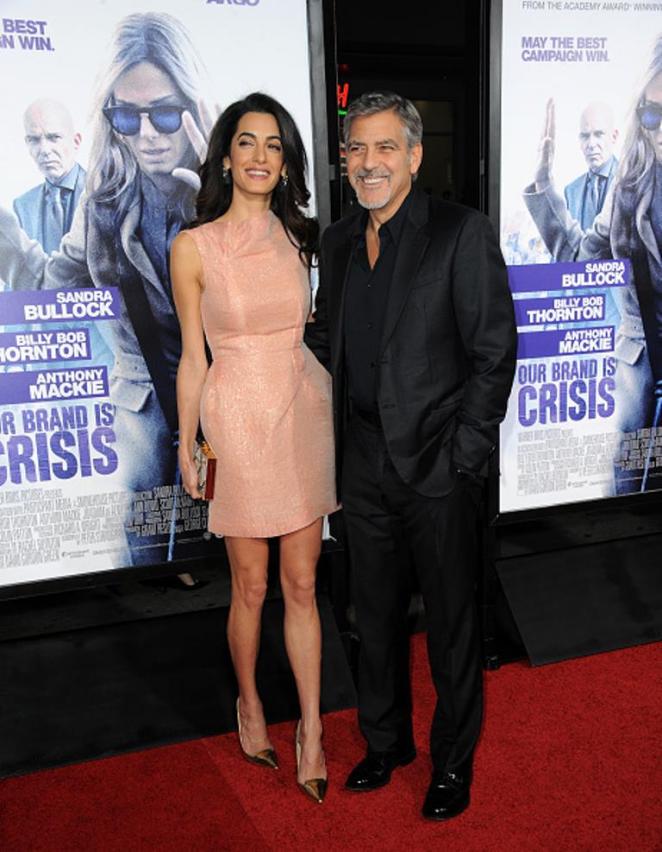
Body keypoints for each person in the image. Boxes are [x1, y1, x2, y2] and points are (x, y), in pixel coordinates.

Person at [304, 92, 517, 821]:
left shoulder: (460, 232)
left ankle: (453, 765)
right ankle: (385, 742)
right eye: (357, 149)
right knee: (370, 615)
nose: (369, 163)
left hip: (437, 467)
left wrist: (465, 455)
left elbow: (494, 353)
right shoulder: (335, 243)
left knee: (454, 621)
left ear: (415, 156)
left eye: (385, 148)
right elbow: (328, 338)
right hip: (360, 461)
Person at [0, 12, 213, 569]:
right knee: (144, 576)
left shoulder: (234, 182)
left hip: (225, 427)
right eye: (126, 114)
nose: (146, 135)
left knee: (236, 580)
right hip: (144, 437)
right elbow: (48, 288)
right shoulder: (103, 198)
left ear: (191, 105)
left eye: (165, 113)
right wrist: (4, 231)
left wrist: (224, 210)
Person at [171, 92, 338, 803]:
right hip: (235, 415)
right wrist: (188, 439)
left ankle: (311, 729)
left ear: (286, 159)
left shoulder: (304, 237)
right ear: (226, 155)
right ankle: (248, 701)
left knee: (303, 585)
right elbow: (191, 356)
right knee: (252, 585)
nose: (260, 157)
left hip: (302, 407)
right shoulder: (194, 246)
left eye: (274, 145)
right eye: (247, 142)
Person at [523, 34, 662, 491]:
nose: (660, 131)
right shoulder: (630, 190)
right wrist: (543, 183)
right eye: (652, 115)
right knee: (624, 504)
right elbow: (579, 258)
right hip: (639, 387)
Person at [13, 99, 86, 253]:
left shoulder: (105, 195)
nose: (44, 150)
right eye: (34, 139)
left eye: (54, 138)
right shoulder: (22, 206)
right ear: (27, 144)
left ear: (76, 141)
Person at [564, 102, 619, 230]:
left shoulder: (632, 181)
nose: (591, 144)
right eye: (585, 136)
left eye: (599, 134)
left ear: (614, 137)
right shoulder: (571, 192)